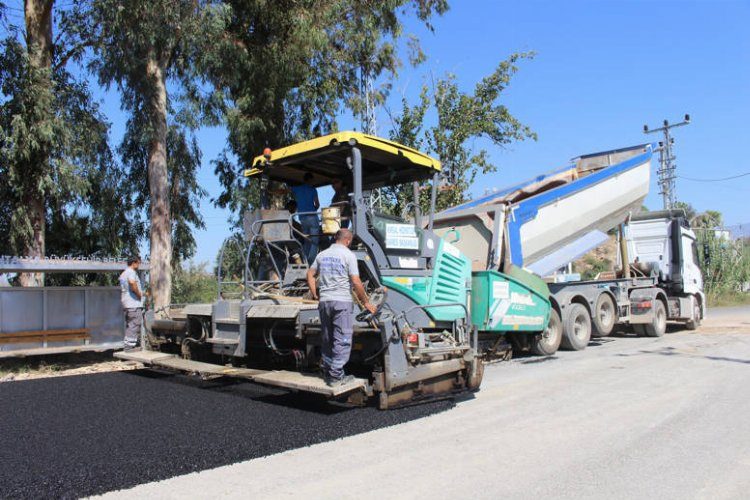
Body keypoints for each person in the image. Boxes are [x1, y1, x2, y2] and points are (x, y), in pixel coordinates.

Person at [306, 229, 377, 387]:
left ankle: (327, 370)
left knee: (328, 338)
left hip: (324, 302)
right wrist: (366, 302)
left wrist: (314, 293)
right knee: (342, 339)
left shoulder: (321, 255)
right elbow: (356, 282)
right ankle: (336, 376)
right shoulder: (348, 255)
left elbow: (310, 274)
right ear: (348, 241)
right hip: (341, 302)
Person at [291, 172, 320, 263]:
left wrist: (270, 191)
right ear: (310, 180)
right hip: (312, 217)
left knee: (306, 240)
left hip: (302, 218)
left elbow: (285, 190)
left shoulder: (297, 189)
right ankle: (311, 261)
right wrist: (312, 210)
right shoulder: (313, 190)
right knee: (314, 241)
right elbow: (317, 204)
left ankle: (304, 260)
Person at [118, 256, 144, 349]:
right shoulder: (131, 272)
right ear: (134, 263)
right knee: (134, 324)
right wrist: (139, 294)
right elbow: (132, 283)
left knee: (130, 325)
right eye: (138, 263)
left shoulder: (123, 273)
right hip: (133, 304)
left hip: (126, 304)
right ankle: (129, 347)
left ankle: (128, 345)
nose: (139, 265)